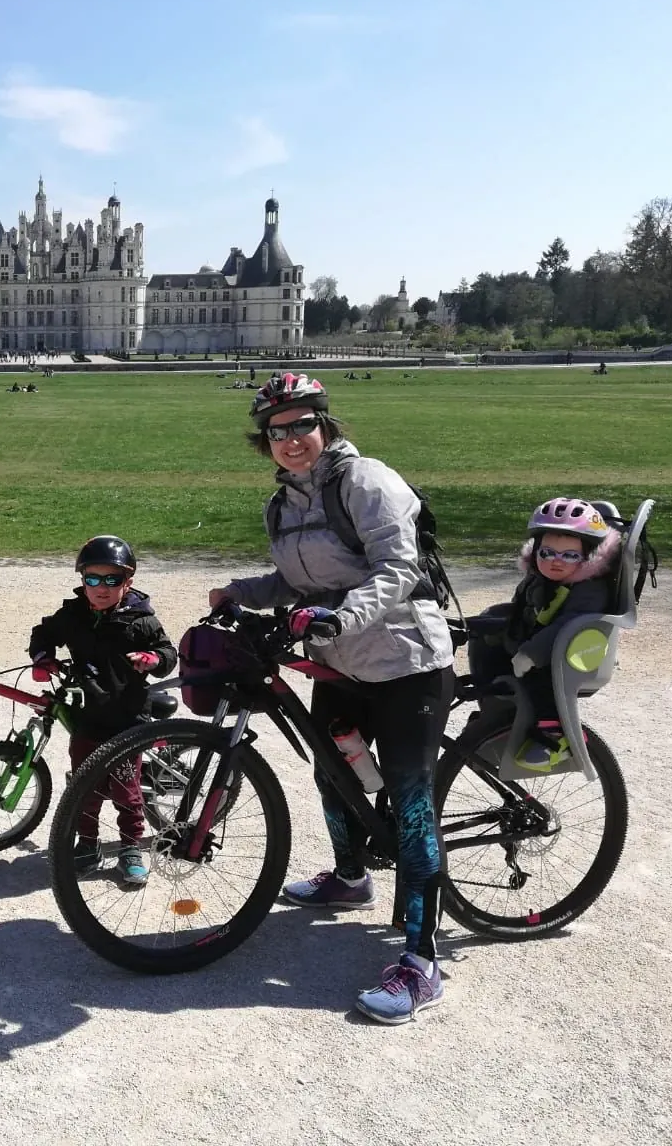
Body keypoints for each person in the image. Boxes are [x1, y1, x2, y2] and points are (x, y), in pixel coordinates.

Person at [207, 372, 456, 1025]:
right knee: (331, 772)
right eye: (276, 431)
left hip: (406, 662)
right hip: (338, 666)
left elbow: (397, 569)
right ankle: (350, 879)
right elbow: (293, 579)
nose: (290, 439)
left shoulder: (365, 481)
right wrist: (242, 592)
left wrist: (339, 618)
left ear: (324, 424)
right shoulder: (282, 503)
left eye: (300, 425)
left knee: (408, 802)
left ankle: (421, 963)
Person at [28, 536, 177, 887]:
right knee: (85, 786)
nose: (101, 588)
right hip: (88, 716)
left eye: (112, 580)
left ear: (129, 582)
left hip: (127, 718)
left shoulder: (141, 620)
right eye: (93, 579)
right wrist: (42, 658)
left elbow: (167, 654)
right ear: (82, 580)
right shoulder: (73, 615)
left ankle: (129, 849)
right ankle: (88, 844)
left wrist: (152, 660)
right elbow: (43, 633)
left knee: (126, 789)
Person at [468, 498, 621, 773]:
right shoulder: (540, 579)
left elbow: (567, 625)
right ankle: (496, 718)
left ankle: (553, 738)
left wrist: (531, 654)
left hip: (561, 656)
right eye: (547, 553)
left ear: (588, 557)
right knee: (485, 652)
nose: (556, 562)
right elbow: (521, 609)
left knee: (540, 684)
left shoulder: (588, 590)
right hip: (527, 643)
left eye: (569, 555)